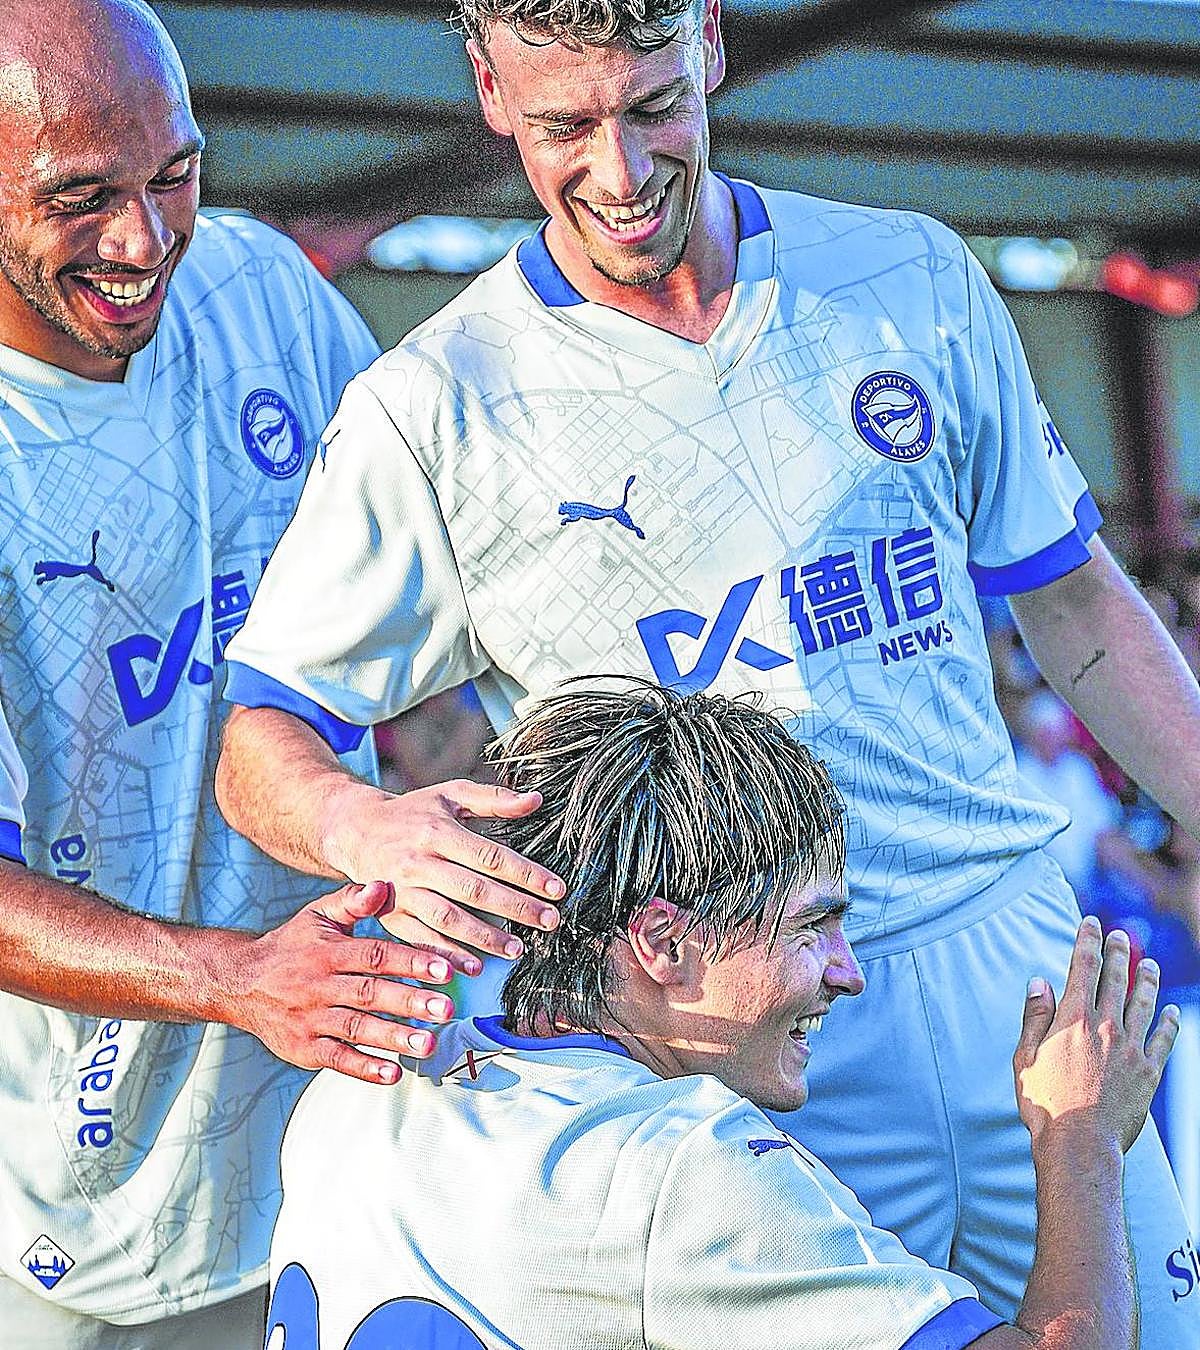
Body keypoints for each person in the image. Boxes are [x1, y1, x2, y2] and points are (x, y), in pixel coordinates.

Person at [216, 0, 1200, 1339]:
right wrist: (354, 815)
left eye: (654, 105)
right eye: (566, 123)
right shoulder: (434, 402)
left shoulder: (906, 273)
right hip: (744, 1023)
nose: (619, 173)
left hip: (1022, 965)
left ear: (713, 45)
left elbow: (1077, 600)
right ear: (489, 84)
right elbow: (265, 724)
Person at [0, 2, 565, 1345]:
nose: (147, 239)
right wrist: (244, 976)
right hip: (99, 1213)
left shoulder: (262, 294)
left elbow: (422, 679)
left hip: (364, 1138)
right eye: (81, 199)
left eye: (177, 173)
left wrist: (537, 870)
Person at [266, 682, 1178, 1350]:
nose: (848, 975)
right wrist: (1083, 1140)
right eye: (814, 924)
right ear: (662, 943)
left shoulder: (351, 1092)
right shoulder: (682, 1171)